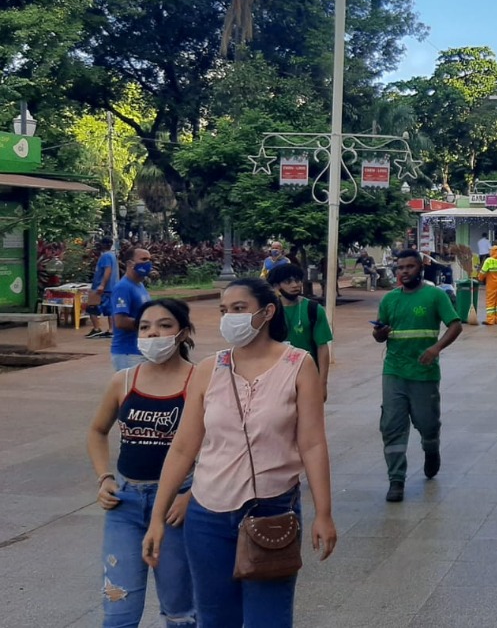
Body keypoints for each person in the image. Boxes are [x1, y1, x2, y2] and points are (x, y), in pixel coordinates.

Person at [142, 279, 337, 626]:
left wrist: (324, 512)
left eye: (238, 309)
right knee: (215, 618)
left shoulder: (298, 364)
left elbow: (312, 444)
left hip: (273, 510)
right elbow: (184, 447)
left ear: (267, 312)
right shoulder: (208, 370)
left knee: (269, 619)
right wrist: (157, 518)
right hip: (207, 515)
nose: (229, 317)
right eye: (223, 310)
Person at [88, 299, 197, 627]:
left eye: (165, 325)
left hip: (178, 508)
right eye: (145, 326)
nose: (153, 333)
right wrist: (104, 477)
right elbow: (96, 431)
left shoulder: (200, 382)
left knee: (180, 612)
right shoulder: (123, 381)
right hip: (125, 504)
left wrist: (191, 496)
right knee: (118, 609)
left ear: (183, 332)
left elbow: (223, 447)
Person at [373, 250, 463, 502]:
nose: (404, 271)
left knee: (427, 423)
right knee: (392, 426)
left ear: (420, 269)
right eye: (400, 267)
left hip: (424, 373)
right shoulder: (389, 299)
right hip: (394, 370)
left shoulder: (435, 295)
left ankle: (431, 448)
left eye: (409, 267)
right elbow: (379, 334)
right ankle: (396, 480)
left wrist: (436, 348)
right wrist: (380, 333)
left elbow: (455, 325)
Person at [268, 263, 332, 399]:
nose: (295, 285)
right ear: (276, 286)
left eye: (297, 280)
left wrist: (322, 383)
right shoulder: (269, 311)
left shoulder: (313, 309)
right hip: (276, 375)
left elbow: (322, 347)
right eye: (288, 281)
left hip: (306, 374)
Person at [111, 248, 154, 371]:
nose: (148, 263)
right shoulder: (123, 288)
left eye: (149, 260)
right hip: (128, 353)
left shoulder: (139, 285)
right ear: (130, 264)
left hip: (141, 350)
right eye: (144, 259)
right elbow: (120, 321)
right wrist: (150, 326)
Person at [87, 237, 119, 339]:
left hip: (101, 288)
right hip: (110, 287)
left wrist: (102, 285)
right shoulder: (112, 255)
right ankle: (111, 329)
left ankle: (97, 328)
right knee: (110, 309)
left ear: (103, 245)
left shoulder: (106, 256)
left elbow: (107, 270)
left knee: (91, 307)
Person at [477, 246, 497, 325]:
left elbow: (483, 272)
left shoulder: (489, 261)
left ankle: (490, 320)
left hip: (492, 285)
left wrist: (480, 278)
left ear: (492, 251)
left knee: (490, 302)